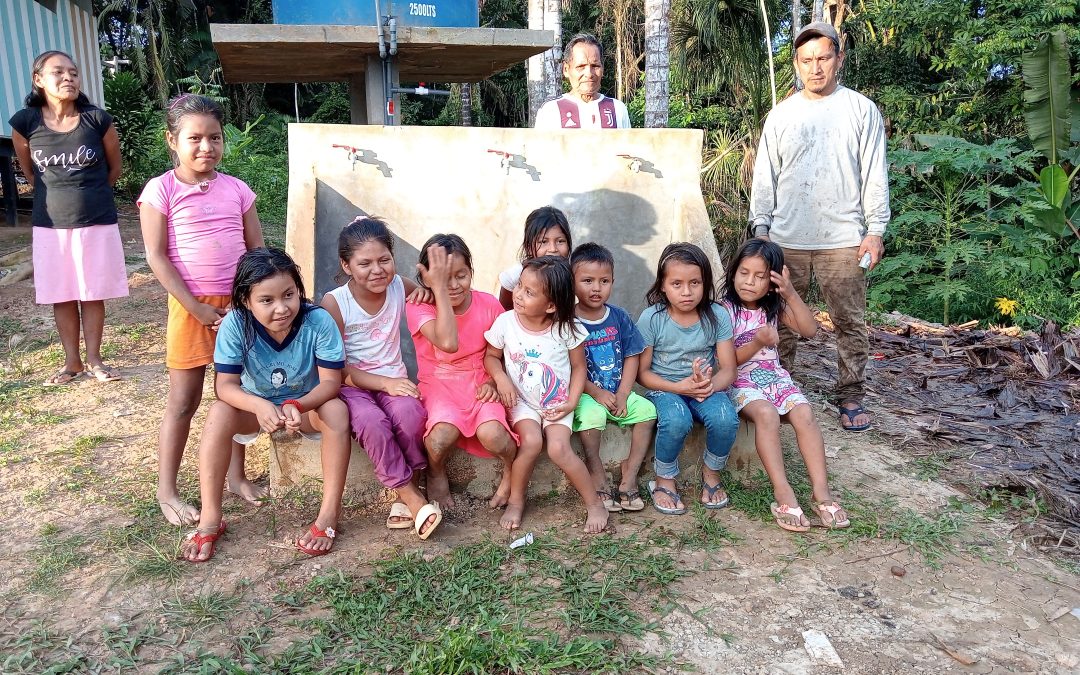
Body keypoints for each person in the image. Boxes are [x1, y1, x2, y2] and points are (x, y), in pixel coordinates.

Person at [748, 21, 890, 433]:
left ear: (838, 59)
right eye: (807, 60)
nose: (815, 68)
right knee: (780, 320)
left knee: (849, 320)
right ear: (796, 63)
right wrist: (761, 229)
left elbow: (874, 173)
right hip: (785, 239)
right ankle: (779, 388)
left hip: (843, 239)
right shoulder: (782, 114)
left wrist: (875, 230)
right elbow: (765, 175)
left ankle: (851, 394)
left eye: (824, 58)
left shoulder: (860, 109)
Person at [138, 94, 266, 527]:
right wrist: (193, 306)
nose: (206, 147)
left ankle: (236, 477)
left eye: (214, 137)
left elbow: (256, 251)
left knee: (237, 391)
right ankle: (167, 491)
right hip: (189, 309)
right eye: (194, 138)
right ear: (171, 140)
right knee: (184, 400)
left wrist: (248, 300)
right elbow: (156, 256)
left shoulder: (238, 190)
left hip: (239, 308)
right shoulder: (161, 190)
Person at [181, 248, 351, 562]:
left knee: (337, 411)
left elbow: (331, 383)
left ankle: (328, 515)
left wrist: (298, 404)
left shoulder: (318, 321)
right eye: (266, 300)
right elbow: (225, 386)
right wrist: (258, 405)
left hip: (303, 407)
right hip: (254, 409)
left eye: (289, 295)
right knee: (219, 413)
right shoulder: (235, 324)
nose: (282, 308)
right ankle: (210, 519)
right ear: (246, 301)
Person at [9, 50, 128, 386]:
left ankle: (95, 360)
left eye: (73, 73)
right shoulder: (25, 123)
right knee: (61, 293)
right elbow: (31, 174)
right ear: (38, 80)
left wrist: (87, 197)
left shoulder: (97, 119)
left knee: (92, 292)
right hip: (50, 225)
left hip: (96, 220)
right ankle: (71, 363)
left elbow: (114, 168)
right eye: (59, 72)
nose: (68, 78)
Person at [320, 217, 442, 540]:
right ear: (346, 265)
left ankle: (409, 488)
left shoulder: (399, 286)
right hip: (352, 386)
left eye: (384, 260)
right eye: (365, 263)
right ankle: (412, 498)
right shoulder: (335, 303)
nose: (377, 270)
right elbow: (338, 370)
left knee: (410, 414)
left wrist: (427, 294)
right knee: (372, 423)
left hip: (393, 379)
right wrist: (385, 384)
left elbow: (425, 296)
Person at [721, 239, 850, 531]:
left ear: (773, 281)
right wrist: (757, 342)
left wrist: (790, 293)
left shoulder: (774, 308)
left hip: (775, 377)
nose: (749, 282)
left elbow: (810, 330)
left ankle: (822, 493)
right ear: (733, 272)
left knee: (804, 413)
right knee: (766, 414)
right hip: (738, 379)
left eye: (760, 276)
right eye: (744, 273)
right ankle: (783, 492)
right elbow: (727, 363)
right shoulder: (724, 311)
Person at [484, 256, 608, 533]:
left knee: (558, 449)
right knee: (530, 442)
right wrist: (501, 379)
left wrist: (571, 402)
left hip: (557, 402)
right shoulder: (506, 322)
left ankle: (594, 503)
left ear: (551, 305)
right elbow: (491, 356)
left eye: (529, 292)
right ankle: (516, 501)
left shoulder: (566, 328)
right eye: (519, 286)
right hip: (522, 401)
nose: (518, 294)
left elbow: (579, 367)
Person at [407, 234, 518, 511]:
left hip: (481, 379)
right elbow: (448, 342)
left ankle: (511, 471)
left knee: (494, 435)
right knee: (440, 435)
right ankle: (435, 471)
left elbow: (504, 353)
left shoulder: (489, 305)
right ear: (428, 279)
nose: (454, 285)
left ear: (471, 271)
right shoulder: (419, 306)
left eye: (461, 275)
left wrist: (494, 381)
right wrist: (437, 291)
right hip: (439, 382)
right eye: (444, 278)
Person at [636, 243, 739, 515]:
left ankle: (711, 473)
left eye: (695, 283)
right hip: (665, 388)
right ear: (662, 285)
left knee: (725, 418)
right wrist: (677, 387)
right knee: (676, 419)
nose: (686, 292)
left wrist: (707, 386)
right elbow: (642, 373)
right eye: (677, 284)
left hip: (705, 387)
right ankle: (664, 478)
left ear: (705, 283)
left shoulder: (717, 315)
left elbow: (729, 369)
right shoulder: (652, 318)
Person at [570, 243, 656, 512]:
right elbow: (569, 367)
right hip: (586, 394)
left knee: (647, 412)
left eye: (604, 281)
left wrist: (624, 393)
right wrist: (596, 393)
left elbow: (632, 355)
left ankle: (630, 474)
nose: (596, 288)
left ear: (612, 282)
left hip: (618, 392)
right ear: (572, 282)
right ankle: (596, 472)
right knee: (592, 416)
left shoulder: (618, 317)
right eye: (587, 281)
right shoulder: (568, 321)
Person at [534, 33, 631, 129]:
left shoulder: (618, 109)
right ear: (566, 69)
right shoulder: (550, 111)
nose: (589, 74)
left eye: (595, 66)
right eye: (581, 66)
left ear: (602, 69)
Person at [498, 206, 572, 310]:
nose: (553, 249)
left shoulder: (573, 274)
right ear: (528, 246)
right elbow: (504, 311)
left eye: (560, 241)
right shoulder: (516, 276)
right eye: (543, 242)